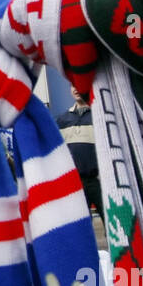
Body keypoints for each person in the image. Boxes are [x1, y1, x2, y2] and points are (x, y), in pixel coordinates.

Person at [55, 88, 102, 224]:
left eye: (78, 84)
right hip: (75, 182)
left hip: (99, 181)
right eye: (72, 85)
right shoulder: (61, 120)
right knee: (81, 225)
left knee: (113, 224)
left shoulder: (99, 116)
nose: (75, 89)